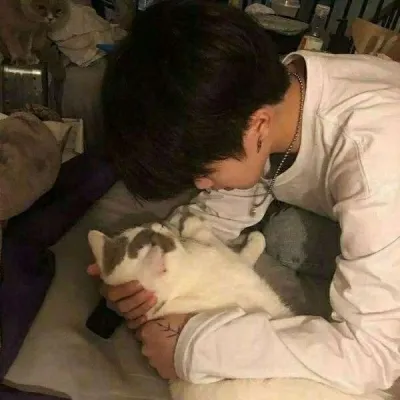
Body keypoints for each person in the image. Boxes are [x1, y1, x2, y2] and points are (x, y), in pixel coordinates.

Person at [88, 0, 400, 395]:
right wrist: (139, 274)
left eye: (204, 172)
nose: (202, 185)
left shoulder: (375, 163)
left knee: (288, 239)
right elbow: (216, 216)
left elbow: (371, 356)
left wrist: (194, 348)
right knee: (286, 233)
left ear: (258, 127)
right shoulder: (256, 97)